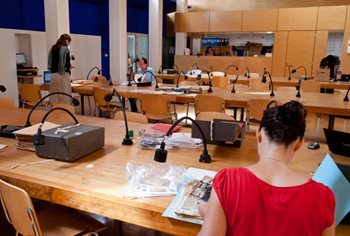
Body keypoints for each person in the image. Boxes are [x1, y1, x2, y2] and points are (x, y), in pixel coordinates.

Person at [197, 100, 335, 236]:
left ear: (259, 135)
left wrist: (210, 218)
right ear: (299, 144)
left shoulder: (227, 181)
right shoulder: (323, 198)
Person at [48, 34, 75, 105]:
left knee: (54, 94)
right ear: (66, 40)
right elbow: (66, 64)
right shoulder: (65, 49)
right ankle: (64, 110)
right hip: (62, 75)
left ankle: (55, 110)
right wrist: (70, 66)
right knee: (64, 95)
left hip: (53, 75)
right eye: (69, 42)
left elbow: (51, 61)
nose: (68, 44)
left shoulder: (53, 48)